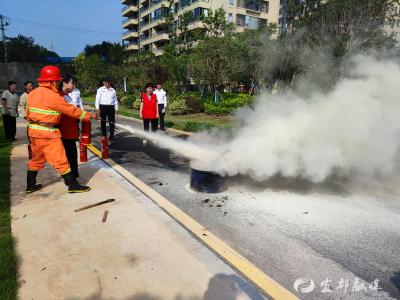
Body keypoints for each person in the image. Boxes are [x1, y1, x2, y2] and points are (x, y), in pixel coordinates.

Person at [25, 65, 98, 194]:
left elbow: (28, 114)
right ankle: (73, 185)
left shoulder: (32, 94)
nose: (58, 83)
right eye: (57, 81)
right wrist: (89, 115)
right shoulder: (53, 96)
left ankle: (30, 186)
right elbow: (71, 110)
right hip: (48, 133)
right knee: (61, 160)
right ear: (52, 81)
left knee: (36, 159)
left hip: (34, 132)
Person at [58, 74, 81, 179]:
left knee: (72, 154)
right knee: (69, 155)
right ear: (64, 83)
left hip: (71, 130)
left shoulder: (67, 96)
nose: (74, 86)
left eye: (75, 84)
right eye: (72, 83)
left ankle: (74, 175)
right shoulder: (60, 96)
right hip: (65, 131)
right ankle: (71, 178)